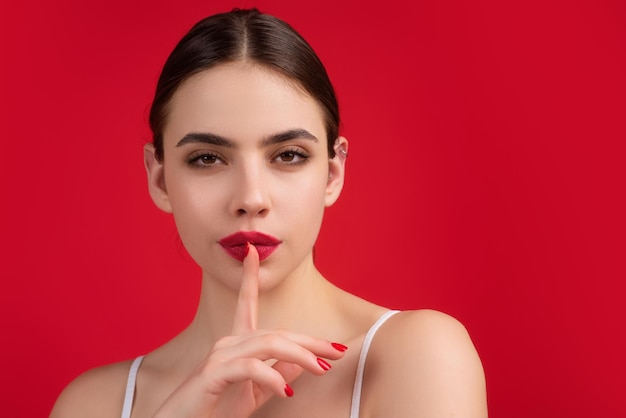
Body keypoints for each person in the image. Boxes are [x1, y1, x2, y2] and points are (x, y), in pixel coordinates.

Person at [50, 8, 487, 418]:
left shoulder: (416, 357)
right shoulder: (96, 404)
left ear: (333, 174)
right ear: (160, 179)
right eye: (207, 158)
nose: (251, 197)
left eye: (289, 155)